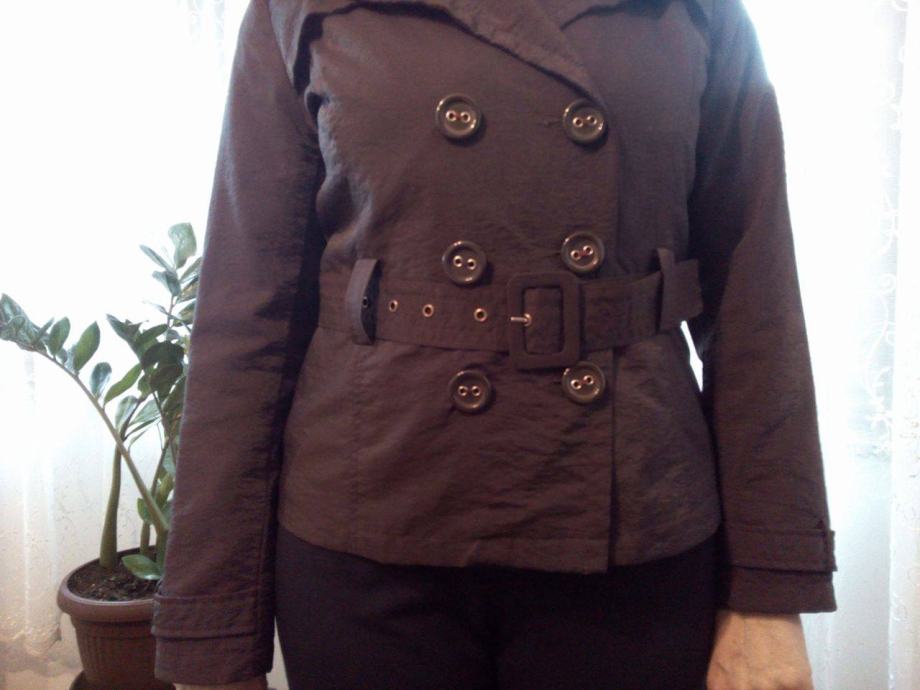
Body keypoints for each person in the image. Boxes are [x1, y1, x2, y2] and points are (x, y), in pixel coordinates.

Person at [151, 0, 838, 688]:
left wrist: (770, 594)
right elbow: (250, 315)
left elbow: (755, 303)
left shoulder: (700, 11)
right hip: (369, 539)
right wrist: (213, 631)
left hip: (635, 534)